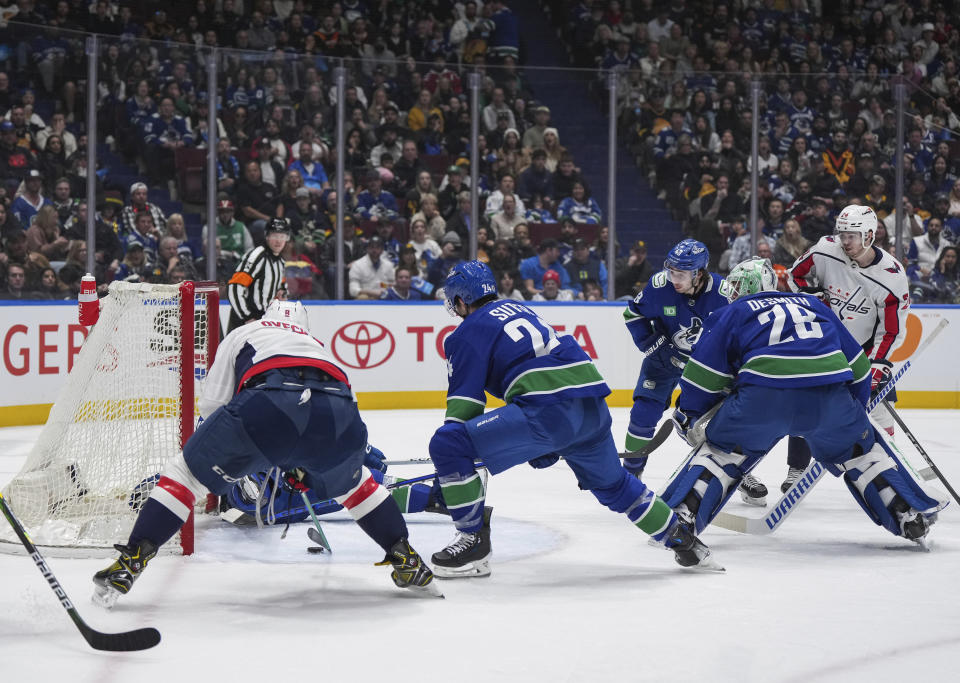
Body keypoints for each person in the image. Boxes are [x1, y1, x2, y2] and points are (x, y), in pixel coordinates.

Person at [92, 300, 441, 606]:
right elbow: (346, 408)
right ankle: (407, 558)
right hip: (338, 416)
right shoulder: (317, 345)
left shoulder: (246, 332)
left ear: (266, 316)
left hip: (267, 403)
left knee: (183, 476)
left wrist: (211, 455)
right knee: (359, 486)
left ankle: (131, 562)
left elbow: (214, 407)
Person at [425, 261, 719, 579]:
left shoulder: (465, 333)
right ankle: (686, 543)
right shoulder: (518, 308)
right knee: (616, 487)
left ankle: (472, 544)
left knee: (448, 443)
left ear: (460, 301)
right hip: (591, 406)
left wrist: (454, 467)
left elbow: (463, 409)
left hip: (547, 411)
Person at [662, 258, 943, 543]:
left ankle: (682, 519)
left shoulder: (734, 311)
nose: (732, 295)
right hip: (830, 400)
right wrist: (854, 413)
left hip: (761, 400)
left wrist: (690, 412)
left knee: (721, 453)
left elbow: (703, 374)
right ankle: (907, 513)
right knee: (863, 453)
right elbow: (859, 367)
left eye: (735, 289)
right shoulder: (814, 305)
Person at [621, 239, 769, 504]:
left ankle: (736, 472)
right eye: (671, 271)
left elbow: (738, 335)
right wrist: (654, 346)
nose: (673, 278)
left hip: (706, 368)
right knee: (643, 411)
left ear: (699, 273)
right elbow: (633, 315)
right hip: (664, 360)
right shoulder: (660, 286)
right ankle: (630, 477)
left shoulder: (725, 294)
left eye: (681, 274)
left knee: (712, 425)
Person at [785, 205, 910, 492]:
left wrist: (879, 363)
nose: (845, 241)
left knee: (880, 412)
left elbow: (891, 329)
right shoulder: (825, 250)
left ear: (869, 235)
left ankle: (887, 468)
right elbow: (795, 276)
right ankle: (796, 468)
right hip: (825, 343)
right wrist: (812, 297)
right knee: (808, 400)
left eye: (852, 235)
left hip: (863, 350)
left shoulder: (891, 275)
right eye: (842, 234)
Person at [227, 218, 289, 332]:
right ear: (267, 236)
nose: (278, 240)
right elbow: (235, 286)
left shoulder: (280, 263)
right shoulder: (257, 256)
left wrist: (282, 294)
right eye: (274, 235)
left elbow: (281, 289)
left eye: (282, 236)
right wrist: (247, 317)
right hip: (245, 321)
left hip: (264, 321)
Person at [349, 235, 396, 299]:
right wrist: (371, 292)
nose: (374, 250)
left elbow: (394, 284)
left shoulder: (388, 265)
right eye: (372, 247)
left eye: (377, 247)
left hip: (385, 298)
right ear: (367, 249)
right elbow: (353, 290)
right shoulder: (357, 265)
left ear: (382, 250)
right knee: (363, 297)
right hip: (366, 299)